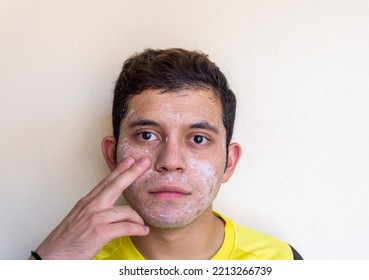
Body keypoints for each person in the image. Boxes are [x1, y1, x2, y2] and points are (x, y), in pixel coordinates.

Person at [30, 48, 302, 260]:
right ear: (113, 156)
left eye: (198, 139)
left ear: (229, 163)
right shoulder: (73, 264)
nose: (170, 162)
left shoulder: (281, 261)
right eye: (147, 135)